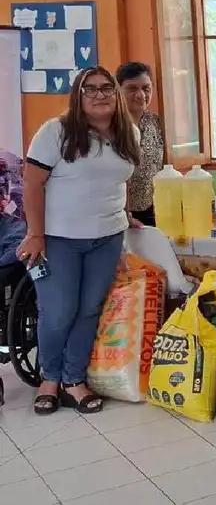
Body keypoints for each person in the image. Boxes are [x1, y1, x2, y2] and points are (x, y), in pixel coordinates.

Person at [17, 66, 143, 416]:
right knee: (58, 313)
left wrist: (126, 213)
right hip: (60, 240)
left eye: (106, 88)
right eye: (90, 89)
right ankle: (49, 379)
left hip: (107, 237)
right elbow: (31, 184)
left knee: (89, 311)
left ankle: (74, 380)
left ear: (115, 95)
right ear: (78, 96)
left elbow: (121, 180)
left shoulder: (127, 132)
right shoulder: (55, 132)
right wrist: (36, 234)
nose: (100, 94)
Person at [116, 62, 164, 227]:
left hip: (154, 209)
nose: (141, 95)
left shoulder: (156, 122)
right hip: (118, 212)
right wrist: (124, 212)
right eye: (132, 88)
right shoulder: (109, 125)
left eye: (146, 88)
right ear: (118, 90)